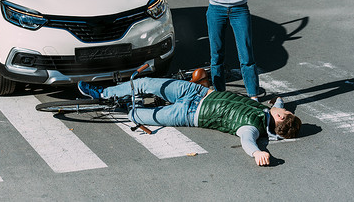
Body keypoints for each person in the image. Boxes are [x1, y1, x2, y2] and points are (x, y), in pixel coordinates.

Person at [78, 77, 302, 166]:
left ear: (280, 118)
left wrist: (258, 154)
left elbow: (248, 142)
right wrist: (281, 102)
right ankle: (103, 92)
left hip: (188, 114)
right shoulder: (272, 113)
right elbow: (280, 104)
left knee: (136, 115)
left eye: (282, 111)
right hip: (196, 91)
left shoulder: (250, 128)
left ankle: (122, 104)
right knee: (145, 82)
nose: (279, 109)